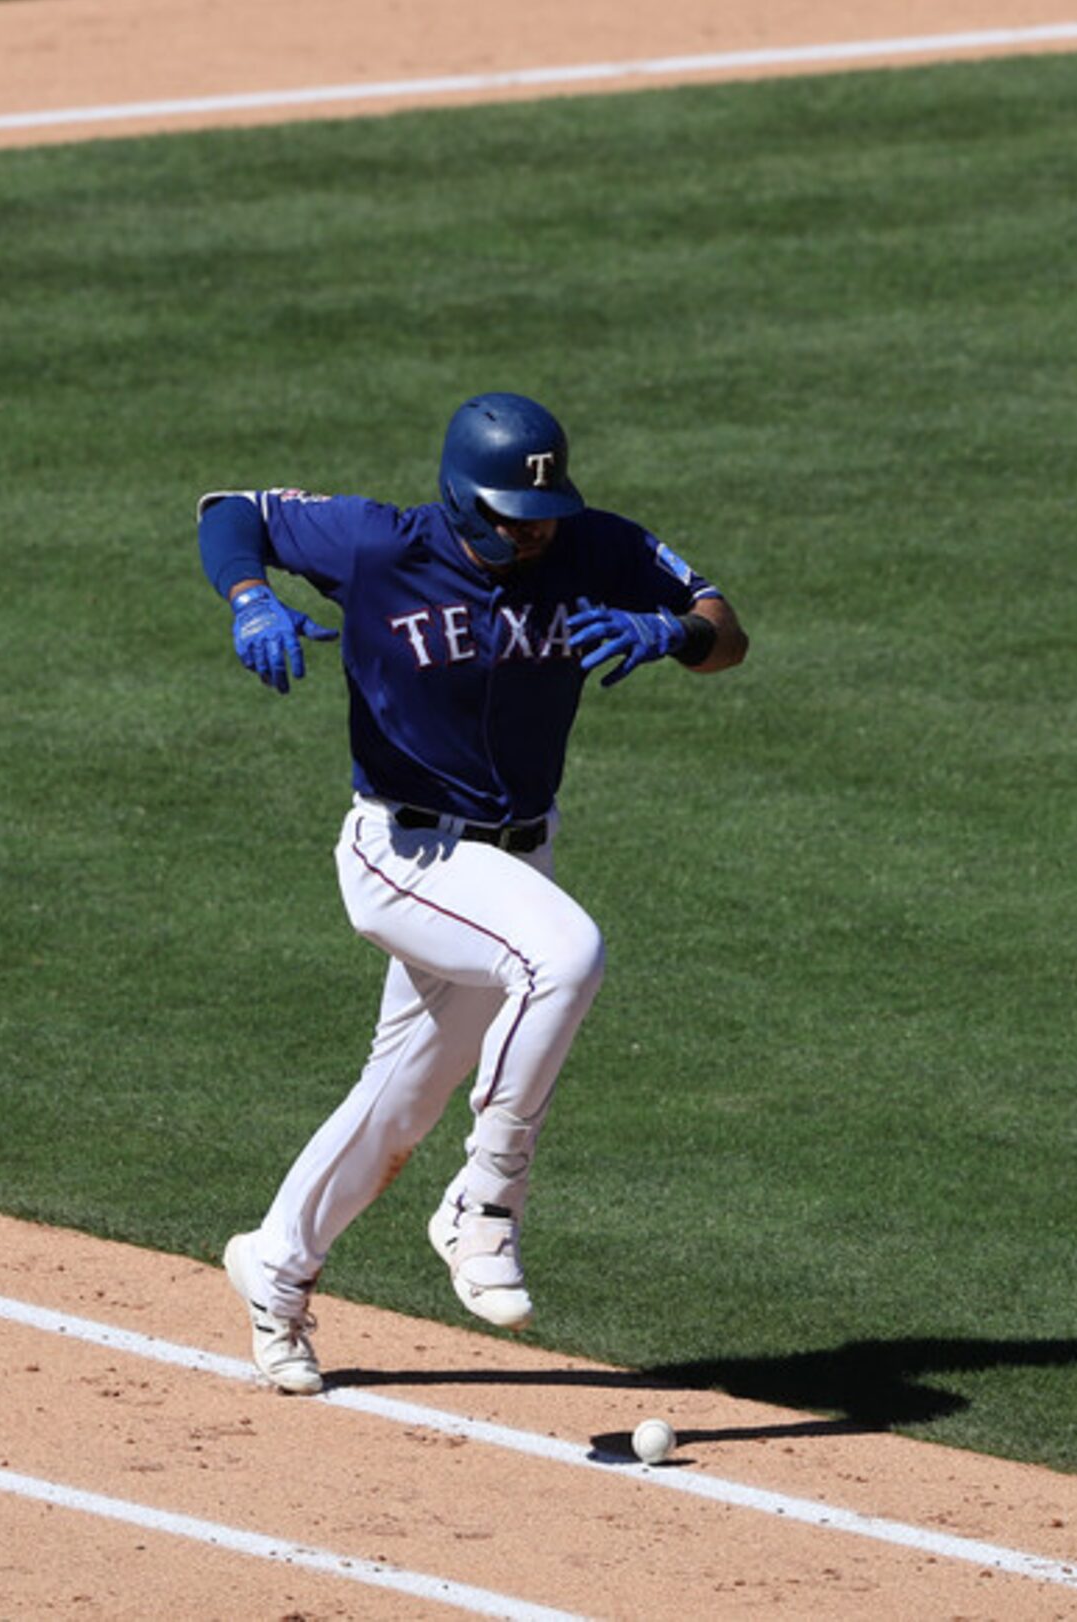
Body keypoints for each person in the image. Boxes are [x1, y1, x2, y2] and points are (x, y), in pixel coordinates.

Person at [195, 392, 747, 1392]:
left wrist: (673, 637)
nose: (531, 535)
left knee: (400, 1099)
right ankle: (484, 1204)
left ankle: (273, 1268)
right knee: (566, 954)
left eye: (542, 516)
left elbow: (723, 622)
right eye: (508, 517)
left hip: (510, 865)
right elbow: (229, 510)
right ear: (458, 500)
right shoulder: (376, 542)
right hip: (402, 855)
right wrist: (249, 596)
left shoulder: (591, 544)